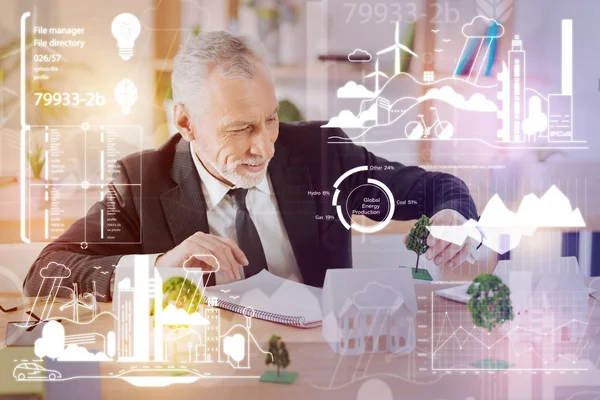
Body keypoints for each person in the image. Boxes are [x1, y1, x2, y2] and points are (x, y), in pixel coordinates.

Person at [23, 31, 480, 301]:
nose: (263, 147)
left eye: (270, 119)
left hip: (317, 360)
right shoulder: (141, 181)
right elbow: (44, 272)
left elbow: (437, 188)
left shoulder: (321, 153)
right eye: (240, 128)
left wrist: (451, 215)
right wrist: (159, 265)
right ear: (185, 121)